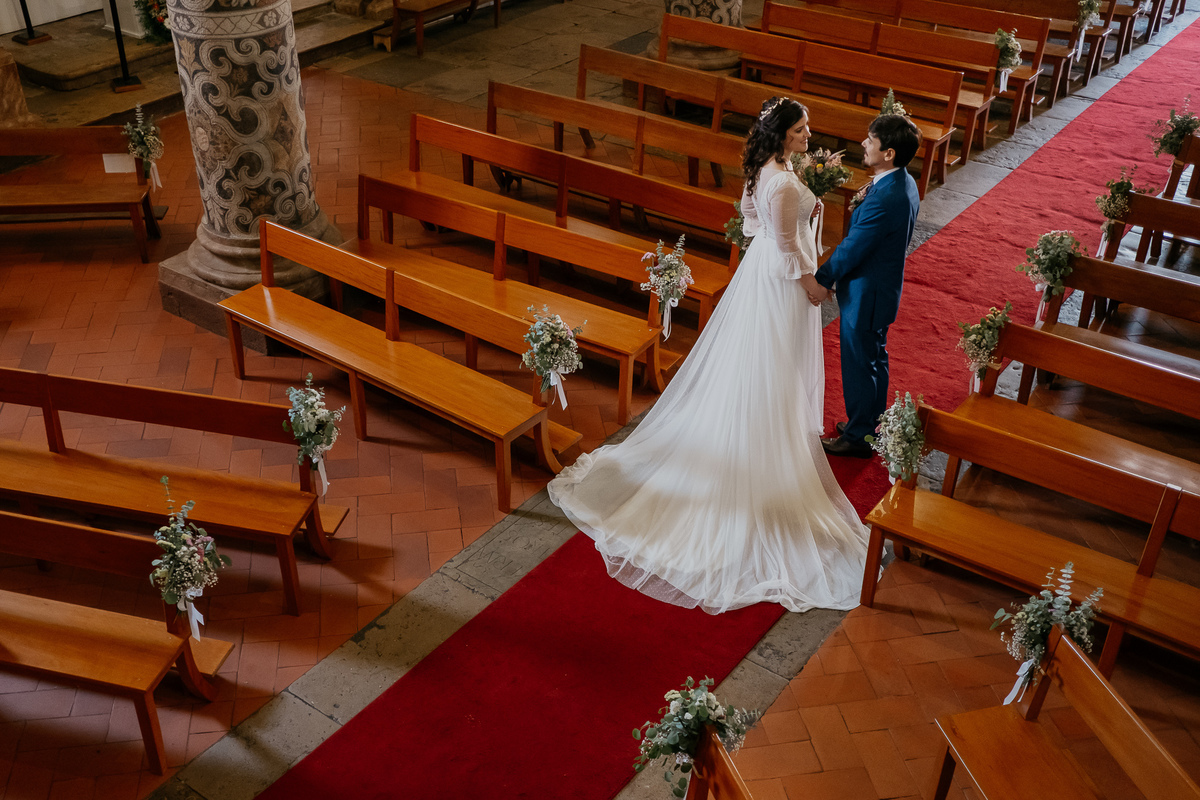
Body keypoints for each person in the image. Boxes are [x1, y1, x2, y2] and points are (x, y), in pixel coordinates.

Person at [546, 97, 869, 614]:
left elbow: (751, 225)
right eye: (803, 130)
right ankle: (762, 468)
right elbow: (789, 253)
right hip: (782, 286)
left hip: (758, 278)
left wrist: (798, 223)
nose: (810, 135)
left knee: (754, 369)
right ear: (784, 135)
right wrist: (816, 287)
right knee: (775, 373)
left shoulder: (765, 172)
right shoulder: (784, 182)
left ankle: (751, 449)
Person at [808, 114, 922, 458]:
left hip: (867, 292)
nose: (863, 144)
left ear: (888, 153)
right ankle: (868, 422)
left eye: (870, 140)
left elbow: (854, 246)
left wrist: (821, 278)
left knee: (860, 364)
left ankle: (858, 437)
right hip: (881, 285)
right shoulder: (902, 181)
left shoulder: (887, 198)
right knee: (874, 359)